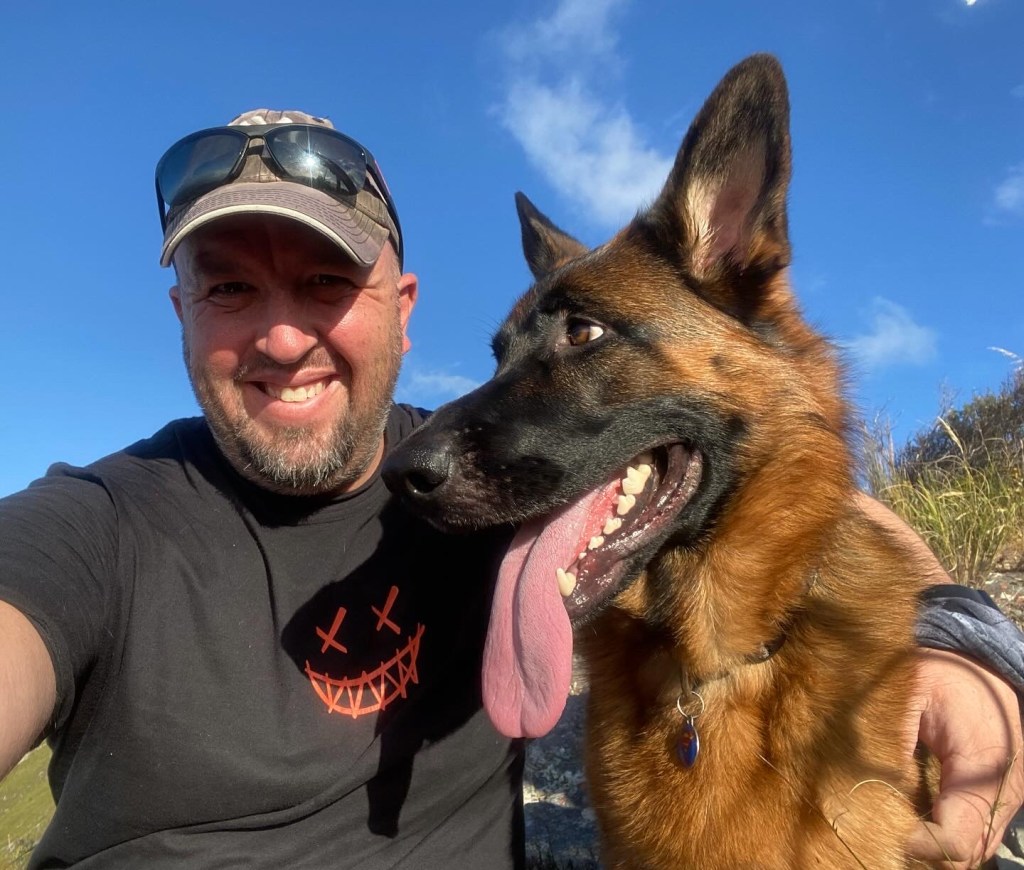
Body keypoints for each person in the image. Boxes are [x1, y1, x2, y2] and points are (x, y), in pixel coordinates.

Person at [0, 108, 1020, 869]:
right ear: (180, 311)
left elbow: (824, 491)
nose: (278, 335)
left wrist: (969, 646)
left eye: (324, 283)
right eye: (228, 286)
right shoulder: (95, 523)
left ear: (401, 308)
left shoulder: (486, 476)